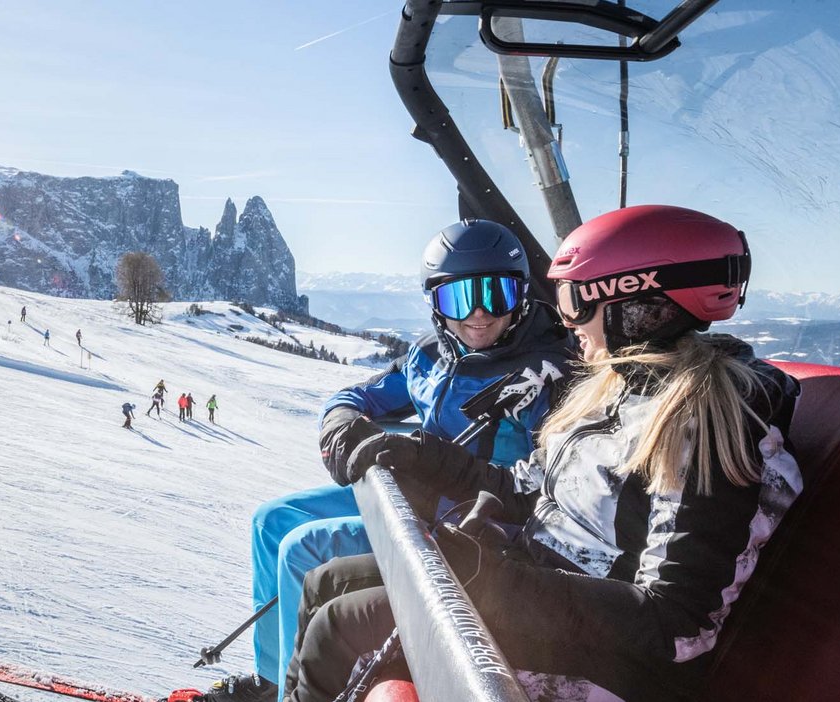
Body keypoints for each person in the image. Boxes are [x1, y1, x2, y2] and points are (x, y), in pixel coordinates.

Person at [283, 205, 801, 702]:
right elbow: (522, 489)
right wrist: (419, 453)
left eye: (574, 300)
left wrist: (495, 581)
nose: (567, 321)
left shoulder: (707, 422)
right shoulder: (616, 390)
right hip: (538, 584)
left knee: (339, 628)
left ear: (633, 303)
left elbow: (676, 624)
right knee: (326, 582)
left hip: (611, 659)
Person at [205, 220, 575, 702]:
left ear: (521, 295)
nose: (479, 314)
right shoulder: (432, 355)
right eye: (459, 299)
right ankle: (273, 677)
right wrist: (341, 424)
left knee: (302, 547)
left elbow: (546, 484)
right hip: (412, 495)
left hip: (468, 522)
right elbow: (360, 395)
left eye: (495, 295)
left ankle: (296, 692)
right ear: (435, 303)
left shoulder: (545, 375)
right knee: (272, 520)